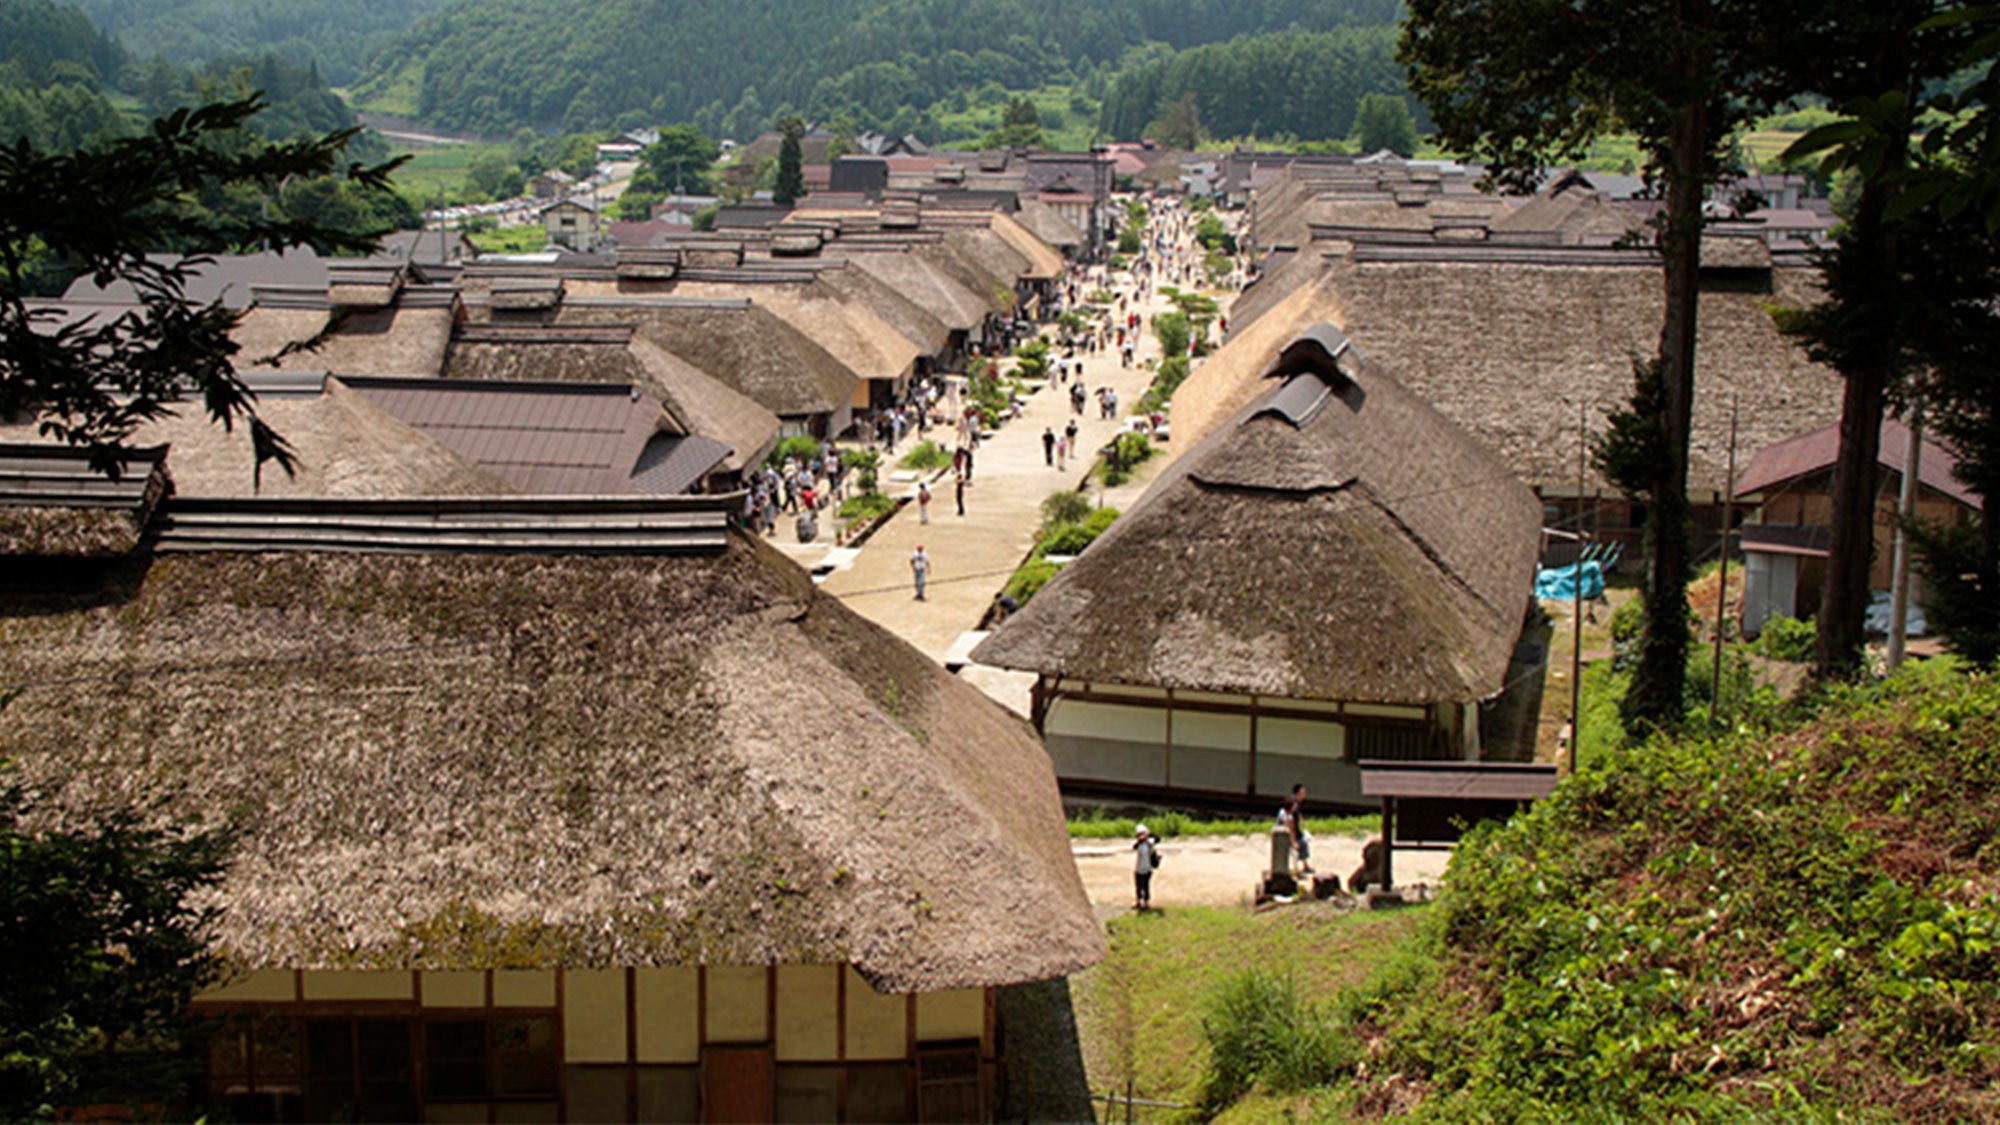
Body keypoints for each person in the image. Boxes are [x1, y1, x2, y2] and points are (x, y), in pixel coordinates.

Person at [1282, 784, 1314, 874]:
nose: (1304, 795)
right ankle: (1299, 869)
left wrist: (1301, 819)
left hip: (1295, 830)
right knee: (1297, 849)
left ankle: (1304, 866)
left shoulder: (1295, 803)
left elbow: (1297, 814)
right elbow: (1290, 824)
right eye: (1302, 793)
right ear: (1298, 793)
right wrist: (1293, 839)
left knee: (1301, 846)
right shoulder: (1293, 804)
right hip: (1293, 831)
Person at [1133, 824, 1159, 910]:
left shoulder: (1150, 842)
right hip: (1138, 868)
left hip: (1147, 869)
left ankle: (1146, 903)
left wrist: (1149, 834)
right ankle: (1138, 902)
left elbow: (1158, 838)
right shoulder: (1138, 844)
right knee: (1138, 886)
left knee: (1146, 886)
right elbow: (1134, 847)